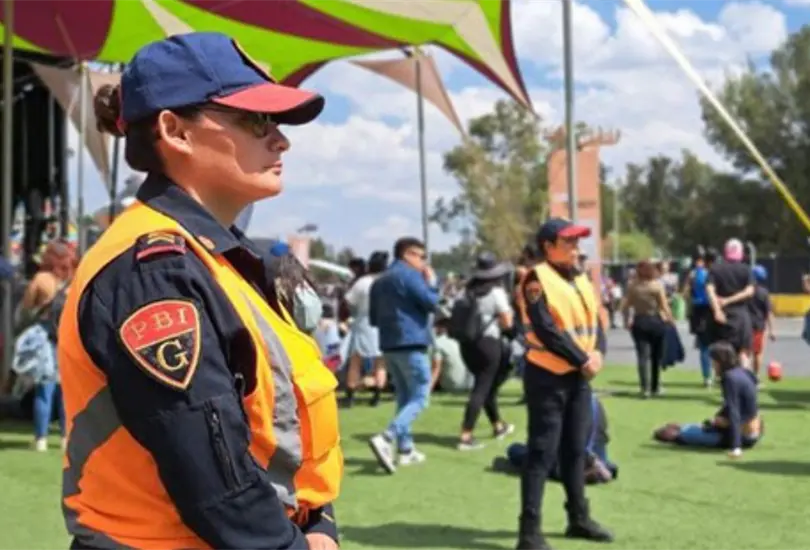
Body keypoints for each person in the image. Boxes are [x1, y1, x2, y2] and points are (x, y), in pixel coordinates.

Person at [58, 32, 342, 550]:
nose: (280, 139)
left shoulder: (215, 259)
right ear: (175, 130)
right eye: (255, 120)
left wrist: (318, 521)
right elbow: (213, 477)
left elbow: (272, 428)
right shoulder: (152, 269)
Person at [517, 218, 613, 550]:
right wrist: (582, 359)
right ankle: (529, 532)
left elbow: (596, 320)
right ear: (549, 246)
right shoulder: (536, 278)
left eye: (577, 242)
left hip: (578, 378)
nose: (576, 248)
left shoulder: (580, 277)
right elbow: (545, 328)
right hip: (547, 376)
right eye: (569, 242)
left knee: (576, 450)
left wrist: (598, 351)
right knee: (541, 453)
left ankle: (578, 518)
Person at [367, 237, 439, 474]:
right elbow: (431, 302)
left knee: (404, 397)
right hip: (412, 342)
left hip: (388, 343)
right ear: (408, 254)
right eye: (421, 256)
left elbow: (373, 318)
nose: (423, 262)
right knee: (420, 396)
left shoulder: (379, 281)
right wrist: (432, 282)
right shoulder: (410, 276)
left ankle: (406, 449)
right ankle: (387, 437)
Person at [653, 342, 762, 457]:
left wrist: (736, 447)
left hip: (743, 434)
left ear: (720, 361)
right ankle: (687, 427)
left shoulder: (729, 378)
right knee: (704, 426)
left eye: (713, 362)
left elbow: (734, 411)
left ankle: (681, 429)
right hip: (755, 429)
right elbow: (748, 395)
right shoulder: (744, 371)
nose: (712, 365)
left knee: (682, 435)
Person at [456, 252, 515, 451]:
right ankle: (466, 434)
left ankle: (498, 425)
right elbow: (507, 322)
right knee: (482, 388)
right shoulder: (496, 293)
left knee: (485, 385)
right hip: (489, 343)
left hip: (467, 344)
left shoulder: (465, 291)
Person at [342, 250, 388, 407]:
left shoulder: (362, 282)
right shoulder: (388, 283)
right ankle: (377, 396)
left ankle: (350, 396)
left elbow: (349, 301)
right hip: (383, 323)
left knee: (356, 359)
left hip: (364, 321)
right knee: (380, 361)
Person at [621, 259, 673, 397]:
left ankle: (645, 388)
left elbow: (625, 306)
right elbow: (664, 306)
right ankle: (656, 387)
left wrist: (626, 320)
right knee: (656, 356)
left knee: (642, 356)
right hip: (656, 321)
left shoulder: (633, 286)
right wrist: (671, 319)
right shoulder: (656, 286)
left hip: (639, 321)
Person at [707, 238, 755, 365]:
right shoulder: (746, 269)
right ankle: (744, 380)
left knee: (721, 353)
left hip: (722, 316)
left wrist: (717, 309)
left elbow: (709, 290)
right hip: (741, 315)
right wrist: (729, 300)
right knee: (744, 353)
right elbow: (749, 291)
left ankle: (724, 380)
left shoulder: (716, 269)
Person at [682, 247, 714, 386]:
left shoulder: (692, 275)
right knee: (713, 343)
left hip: (698, 311)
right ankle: (715, 372)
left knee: (703, 347)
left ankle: (707, 376)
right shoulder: (711, 273)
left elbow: (685, 294)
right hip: (711, 310)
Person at [749, 265, 775, 383]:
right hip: (759, 326)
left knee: (744, 352)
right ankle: (756, 376)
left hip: (745, 325)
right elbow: (769, 312)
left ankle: (744, 376)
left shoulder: (746, 291)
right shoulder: (764, 293)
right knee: (757, 353)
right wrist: (772, 330)